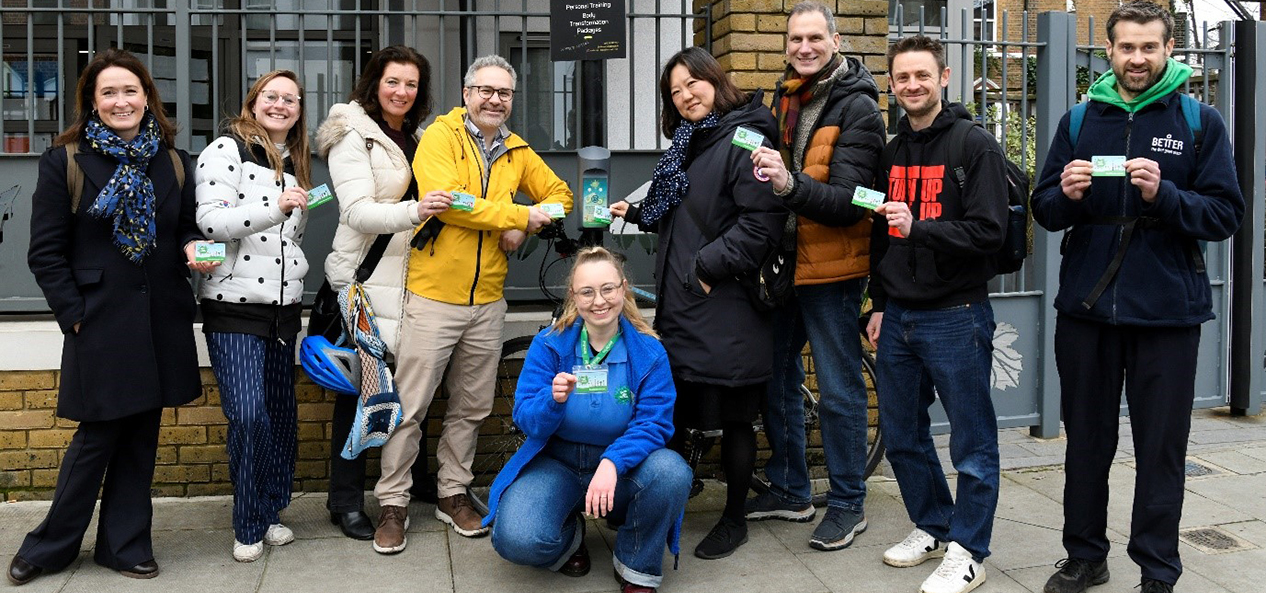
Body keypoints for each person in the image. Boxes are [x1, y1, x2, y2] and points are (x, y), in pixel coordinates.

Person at [1030, 4, 1244, 593]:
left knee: (1160, 449)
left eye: (1149, 47)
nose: (1137, 59)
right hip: (1086, 310)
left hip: (1168, 314)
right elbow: (1043, 209)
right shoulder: (1079, 119)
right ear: (1109, 50)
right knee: (1087, 443)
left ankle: (1157, 569)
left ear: (1169, 48)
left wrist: (1167, 195)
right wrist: (1066, 194)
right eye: (1127, 48)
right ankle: (1085, 555)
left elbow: (1226, 213)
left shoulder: (1200, 121)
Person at [9, 48, 214, 586]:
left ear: (147, 97)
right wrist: (73, 316)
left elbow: (184, 230)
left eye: (130, 91)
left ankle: (124, 546)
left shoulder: (173, 161)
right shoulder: (66, 161)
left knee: (141, 436)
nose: (121, 101)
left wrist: (193, 249)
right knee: (96, 437)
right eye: (109, 93)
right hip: (98, 321)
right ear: (92, 102)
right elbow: (45, 253)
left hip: (159, 320)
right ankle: (50, 545)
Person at [369, 54, 572, 551]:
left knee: (472, 407)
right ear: (466, 94)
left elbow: (562, 196)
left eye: (503, 93)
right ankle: (392, 502)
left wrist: (521, 228)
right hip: (433, 296)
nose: (494, 100)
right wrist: (518, 217)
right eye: (485, 90)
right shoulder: (440, 136)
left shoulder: (517, 150)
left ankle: (452, 493)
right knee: (411, 407)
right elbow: (452, 202)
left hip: (487, 302)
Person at [610, 46, 785, 560]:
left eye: (694, 83)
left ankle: (734, 520)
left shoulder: (746, 136)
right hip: (687, 302)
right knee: (680, 410)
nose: (686, 96)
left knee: (735, 415)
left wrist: (706, 269)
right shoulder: (694, 141)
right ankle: (669, 500)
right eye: (675, 91)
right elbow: (692, 208)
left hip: (726, 302)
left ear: (716, 80)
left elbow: (762, 223)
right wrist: (643, 213)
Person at [865, 35, 1009, 593]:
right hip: (898, 315)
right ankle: (932, 524)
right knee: (902, 434)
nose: (912, 86)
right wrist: (877, 304)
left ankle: (969, 549)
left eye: (922, 76)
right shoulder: (891, 150)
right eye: (902, 78)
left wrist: (918, 229)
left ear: (944, 77)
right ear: (894, 85)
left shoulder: (975, 146)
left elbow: (991, 234)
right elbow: (880, 235)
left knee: (972, 443)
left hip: (958, 313)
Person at [743, 0, 886, 552]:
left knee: (839, 388)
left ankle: (848, 504)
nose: (804, 48)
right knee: (774, 374)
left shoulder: (859, 108)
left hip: (834, 267)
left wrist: (786, 185)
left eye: (814, 39)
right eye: (795, 39)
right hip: (786, 265)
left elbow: (853, 201)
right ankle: (790, 488)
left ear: (835, 40)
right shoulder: (784, 98)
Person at [484, 247, 692, 593]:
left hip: (623, 469)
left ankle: (636, 564)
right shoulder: (549, 346)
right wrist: (551, 400)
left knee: (672, 472)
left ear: (623, 288)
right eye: (587, 291)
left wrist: (613, 461)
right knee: (515, 539)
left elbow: (655, 424)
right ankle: (570, 537)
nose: (599, 301)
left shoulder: (649, 351)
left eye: (608, 288)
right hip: (557, 462)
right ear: (573, 296)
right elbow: (525, 418)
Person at [314, 45, 446, 543]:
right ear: (374, 84)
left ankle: (414, 483)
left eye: (411, 84)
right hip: (363, 285)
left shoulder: (417, 136)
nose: (402, 92)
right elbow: (357, 212)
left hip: (414, 282)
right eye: (393, 82)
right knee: (359, 392)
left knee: (414, 388)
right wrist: (415, 210)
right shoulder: (354, 136)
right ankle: (344, 501)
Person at [194, 70, 312, 562]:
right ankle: (247, 522)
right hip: (231, 307)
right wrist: (275, 207)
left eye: (291, 99)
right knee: (247, 414)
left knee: (281, 418)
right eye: (272, 96)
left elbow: (290, 244)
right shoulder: (225, 150)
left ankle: (270, 511)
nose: (281, 104)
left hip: (283, 313)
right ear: (254, 102)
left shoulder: (295, 163)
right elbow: (211, 222)